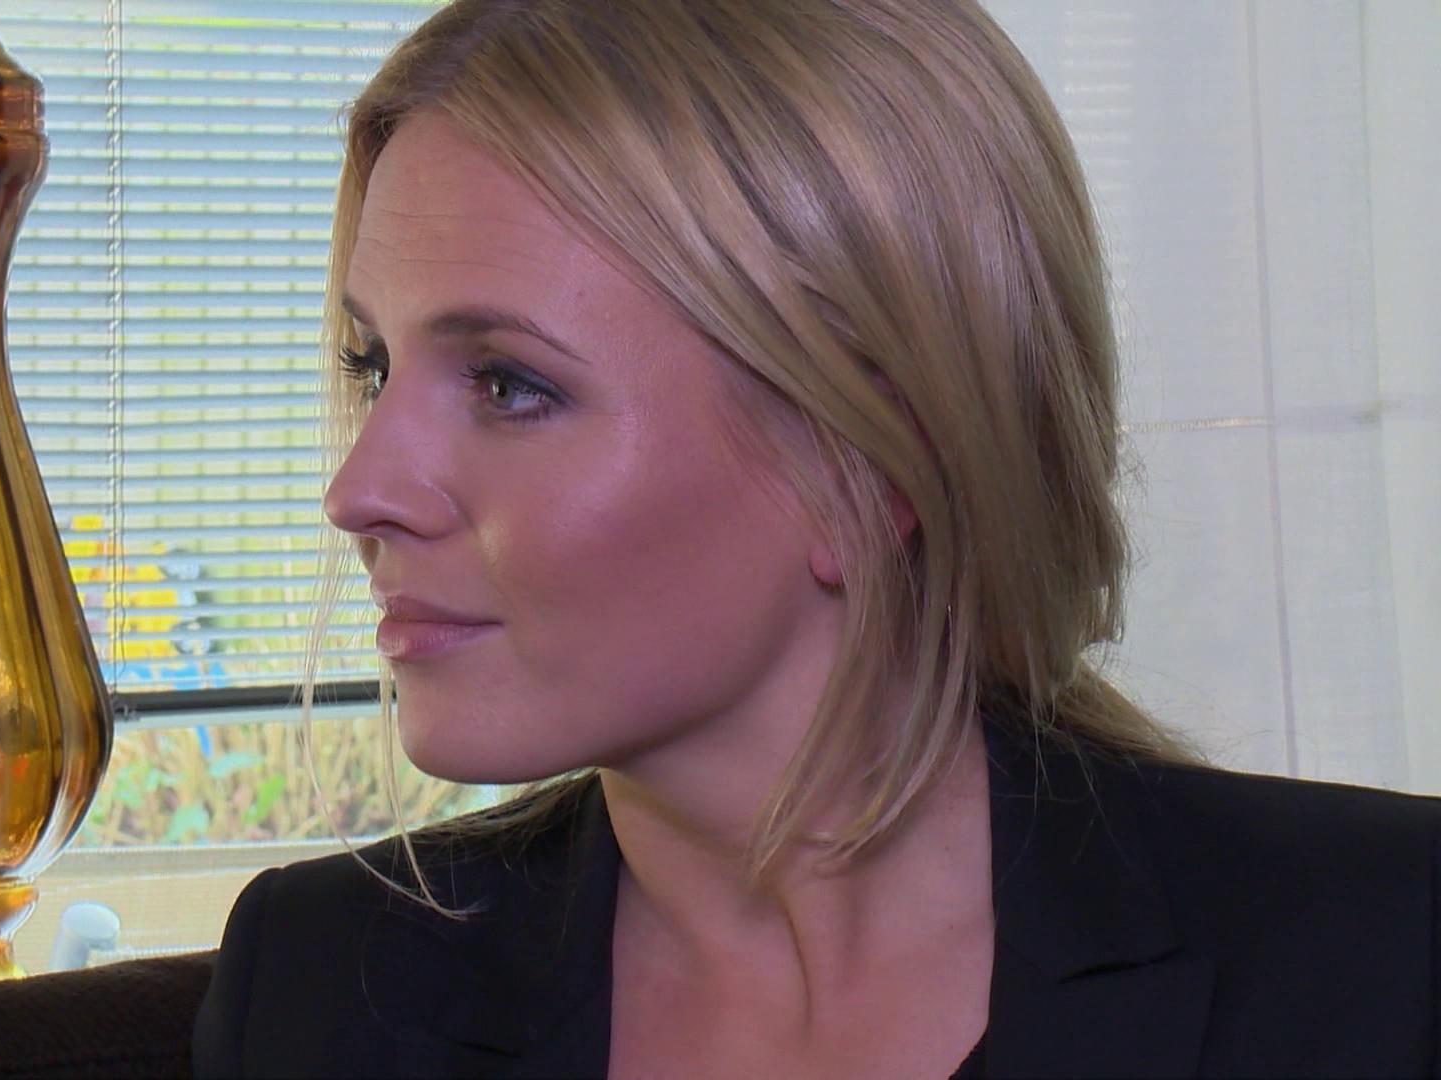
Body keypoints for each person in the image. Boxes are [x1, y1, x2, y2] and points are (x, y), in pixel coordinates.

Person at [192, 1, 1441, 1077]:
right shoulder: (321, 987)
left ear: (872, 456)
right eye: (373, 366)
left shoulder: (1387, 963)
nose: (359, 490)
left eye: (510, 385)